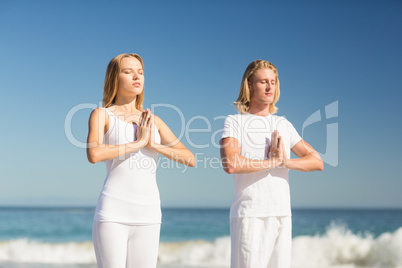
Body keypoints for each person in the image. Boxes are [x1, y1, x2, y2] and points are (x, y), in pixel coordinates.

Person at [86, 53, 195, 268]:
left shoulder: (153, 120)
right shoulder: (102, 114)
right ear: (114, 78)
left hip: (149, 213)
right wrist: (138, 143)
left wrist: (153, 145)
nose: (137, 76)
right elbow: (94, 154)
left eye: (141, 72)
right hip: (113, 212)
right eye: (128, 71)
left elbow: (189, 158)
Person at [220, 59, 323, 268]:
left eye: (273, 82)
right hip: (250, 215)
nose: (269, 87)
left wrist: (285, 162)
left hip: (282, 214)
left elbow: (317, 161)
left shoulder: (282, 124)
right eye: (263, 82)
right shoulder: (234, 122)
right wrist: (272, 162)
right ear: (249, 85)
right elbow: (231, 163)